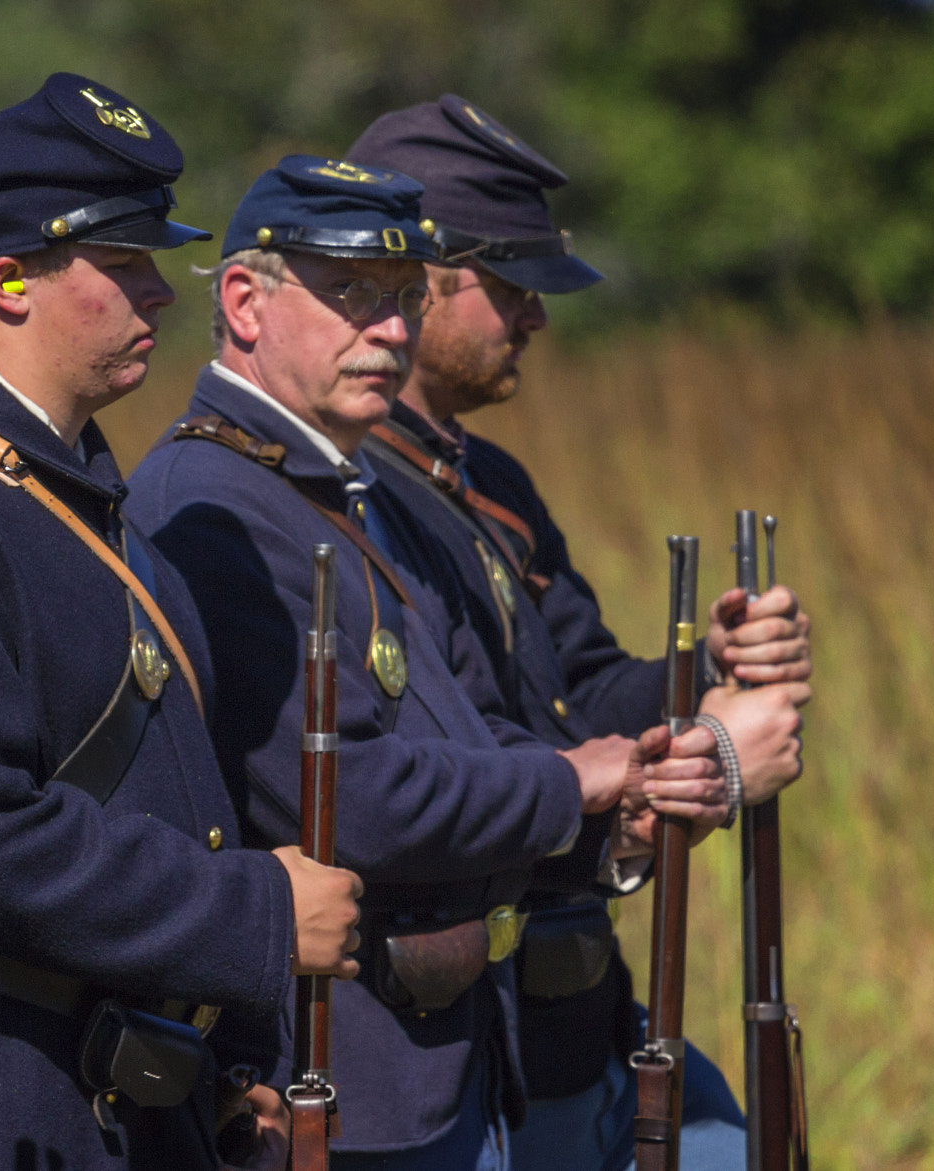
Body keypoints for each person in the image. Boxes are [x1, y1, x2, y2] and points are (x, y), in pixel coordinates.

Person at [0, 74, 365, 1171]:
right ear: (8, 282)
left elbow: (174, 796)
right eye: (123, 263)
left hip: (139, 1092)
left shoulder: (73, 496)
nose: (157, 293)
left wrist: (237, 1052)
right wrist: (248, 916)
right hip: (9, 1098)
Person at [125, 156, 730, 1169]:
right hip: (343, 1076)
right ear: (242, 300)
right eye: (353, 295)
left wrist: (613, 815)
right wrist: (568, 778)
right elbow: (342, 794)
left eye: (404, 299)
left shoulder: (340, 485)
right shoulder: (207, 501)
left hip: (443, 1060)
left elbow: (469, 723)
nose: (392, 332)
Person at [347, 96, 814, 1170]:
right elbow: (472, 763)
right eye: (510, 286)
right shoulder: (352, 494)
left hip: (578, 1019)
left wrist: (710, 668)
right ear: (421, 281)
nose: (535, 318)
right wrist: (709, 761)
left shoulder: (483, 480)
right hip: (470, 1042)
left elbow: (581, 691)